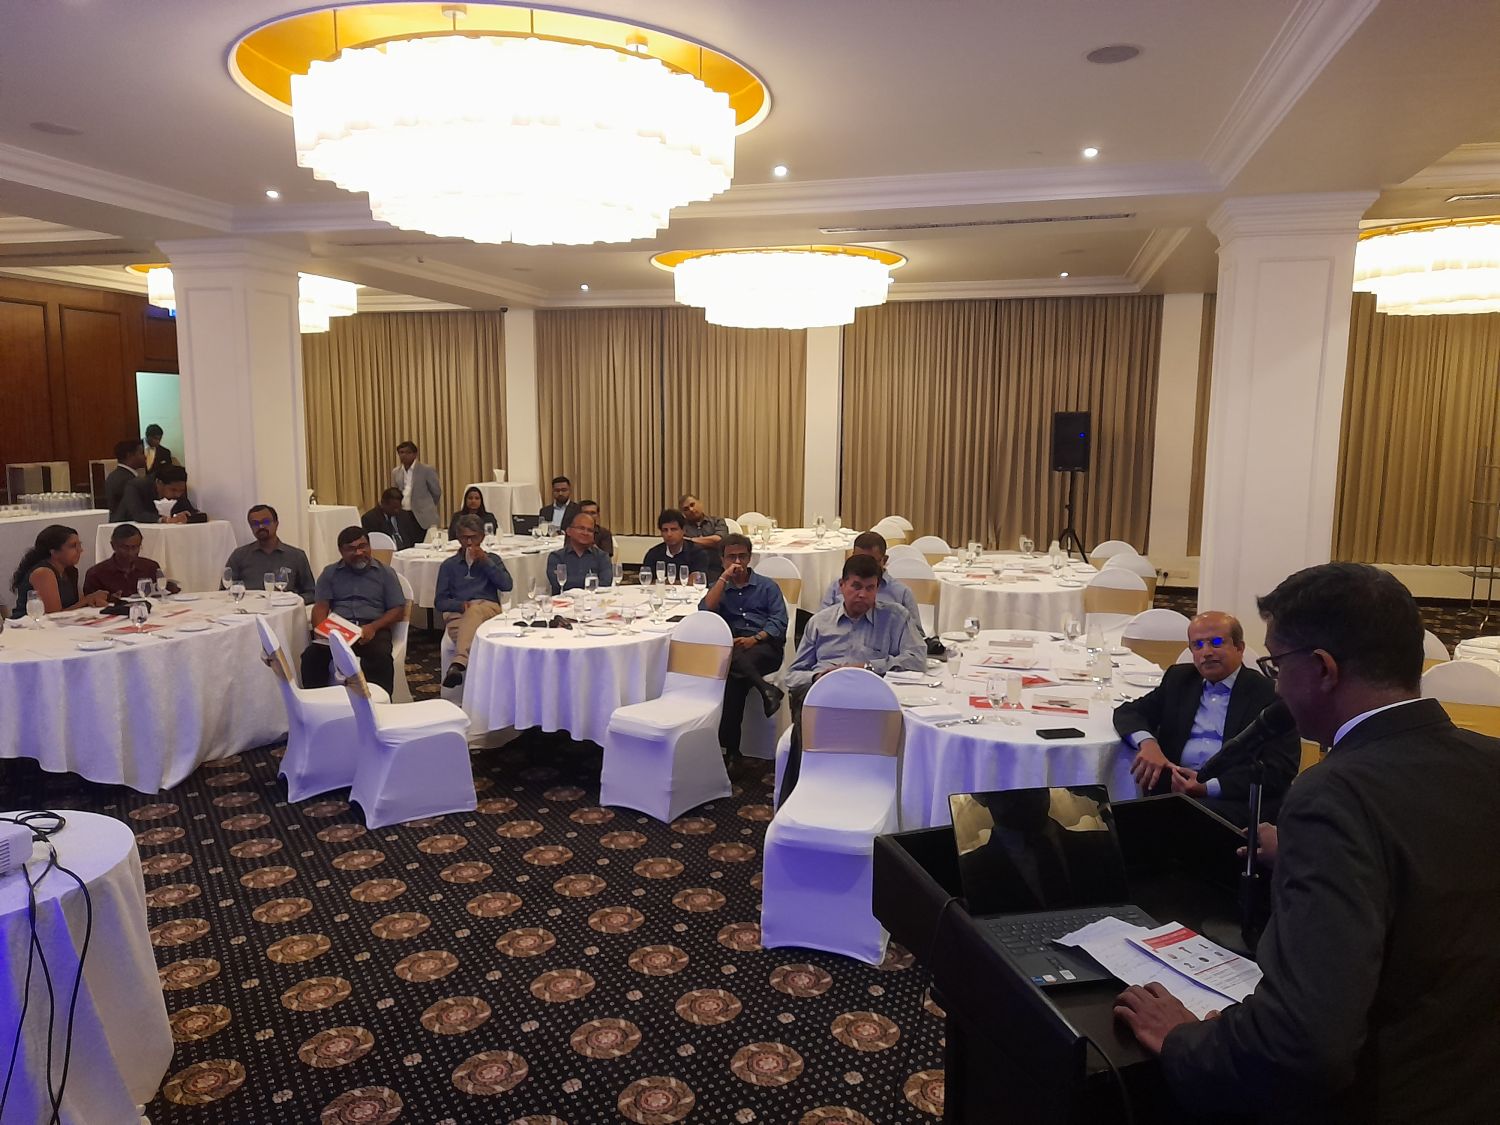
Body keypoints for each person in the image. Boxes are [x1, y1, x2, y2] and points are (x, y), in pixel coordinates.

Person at [1114, 563, 1500, 1123]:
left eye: (1276, 664)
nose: (1274, 685)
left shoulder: (1332, 796)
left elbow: (1301, 1045)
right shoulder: (1488, 760)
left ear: (1322, 669)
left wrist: (1183, 1041)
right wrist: (1306, 851)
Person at [1112, 611, 1298, 826]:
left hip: (1233, 802)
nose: (1206, 652)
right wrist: (1148, 743)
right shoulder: (1180, 679)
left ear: (1239, 647)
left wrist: (1207, 787)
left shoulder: (1268, 694)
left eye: (1216, 643)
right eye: (1198, 645)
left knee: (1167, 822)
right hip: (1174, 791)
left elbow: (1280, 770)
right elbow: (1129, 712)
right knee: (1112, 816)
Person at [781, 553, 926, 803]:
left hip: (874, 695)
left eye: (870, 588)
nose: (862, 594)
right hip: (825, 694)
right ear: (842, 586)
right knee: (808, 706)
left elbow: (917, 659)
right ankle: (803, 790)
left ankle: (877, 791)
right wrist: (818, 676)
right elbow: (793, 676)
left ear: (878, 588)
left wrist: (868, 666)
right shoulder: (820, 622)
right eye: (856, 586)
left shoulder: (895, 618)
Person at [700, 533, 788, 762]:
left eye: (742, 556)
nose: (737, 562)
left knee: (731, 665)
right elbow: (705, 612)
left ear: (750, 558)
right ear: (722, 560)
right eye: (731, 557)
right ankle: (765, 690)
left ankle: (730, 751)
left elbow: (779, 621)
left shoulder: (767, 586)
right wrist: (723, 579)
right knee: (734, 681)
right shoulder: (720, 588)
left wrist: (756, 638)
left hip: (764, 647)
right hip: (734, 648)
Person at [302, 527, 407, 694]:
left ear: (369, 546)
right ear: (341, 551)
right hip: (339, 629)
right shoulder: (330, 573)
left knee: (380, 657)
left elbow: (398, 609)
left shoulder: (385, 573)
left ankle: (379, 703)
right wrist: (321, 630)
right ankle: (317, 701)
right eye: (351, 549)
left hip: (372, 628)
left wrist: (374, 627)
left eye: (362, 546)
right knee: (311, 656)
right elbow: (321, 606)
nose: (358, 552)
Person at [437, 515, 514, 689]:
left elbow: (507, 585)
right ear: (458, 538)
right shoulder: (449, 565)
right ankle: (482, 693)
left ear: (482, 537)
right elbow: (440, 601)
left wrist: (485, 562)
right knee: (474, 639)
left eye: (474, 537)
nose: (470, 542)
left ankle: (458, 663)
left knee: (474, 611)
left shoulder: (493, 559)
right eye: (465, 538)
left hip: (488, 609)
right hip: (458, 613)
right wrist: (459, 605)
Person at [817, 530, 923, 626]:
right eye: (859, 560)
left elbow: (916, 634)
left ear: (884, 560)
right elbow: (821, 623)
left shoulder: (902, 592)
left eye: (871, 561)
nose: (864, 566)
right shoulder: (837, 586)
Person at [9, 524, 109, 616]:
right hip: (28, 625)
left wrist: (93, 600)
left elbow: (77, 603)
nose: (80, 550)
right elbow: (54, 615)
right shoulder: (43, 573)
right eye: (73, 546)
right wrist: (87, 599)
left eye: (79, 545)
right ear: (54, 552)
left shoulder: (70, 570)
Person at [224, 504, 317, 604]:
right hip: (248, 609)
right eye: (255, 524)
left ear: (276, 524)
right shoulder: (239, 555)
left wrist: (291, 601)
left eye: (266, 522)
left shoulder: (296, 556)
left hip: (284, 609)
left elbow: (312, 593)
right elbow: (225, 591)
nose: (261, 526)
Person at [82, 523, 178, 598]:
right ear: (113, 546)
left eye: (135, 547)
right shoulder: (96, 574)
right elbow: (89, 606)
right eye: (125, 548)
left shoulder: (151, 567)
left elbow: (161, 593)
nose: (130, 552)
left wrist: (169, 588)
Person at [546, 511, 612, 594]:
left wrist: (573, 582)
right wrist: (590, 583)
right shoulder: (557, 557)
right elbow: (558, 584)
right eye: (581, 528)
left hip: (593, 599)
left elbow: (605, 583)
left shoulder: (602, 557)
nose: (585, 533)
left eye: (590, 530)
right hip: (563, 601)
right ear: (569, 531)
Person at [118, 464, 206, 524]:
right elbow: (138, 514)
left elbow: (193, 512)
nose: (178, 495)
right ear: (159, 483)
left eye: (181, 490)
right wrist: (165, 519)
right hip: (125, 527)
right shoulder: (136, 486)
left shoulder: (178, 491)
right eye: (173, 490)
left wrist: (187, 517)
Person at [641, 508, 709, 579]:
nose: (669, 534)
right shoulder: (653, 554)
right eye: (665, 530)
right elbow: (646, 580)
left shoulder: (697, 553)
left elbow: (697, 581)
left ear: (683, 530)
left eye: (673, 529)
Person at [391, 440, 442, 531]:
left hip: (423, 515)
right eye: (401, 452)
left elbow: (436, 492)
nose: (404, 455)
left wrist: (427, 505)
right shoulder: (396, 472)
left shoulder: (426, 470)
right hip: (403, 513)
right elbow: (394, 492)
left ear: (415, 454)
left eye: (408, 452)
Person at [679, 493, 729, 582]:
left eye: (692, 505)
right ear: (683, 513)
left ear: (700, 503)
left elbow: (719, 541)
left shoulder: (717, 521)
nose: (691, 509)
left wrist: (691, 540)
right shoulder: (681, 527)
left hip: (716, 566)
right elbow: (682, 545)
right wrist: (710, 542)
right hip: (692, 569)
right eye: (686, 509)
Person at [105, 438, 146, 520]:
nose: (145, 457)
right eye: (141, 453)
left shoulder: (113, 475)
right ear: (129, 455)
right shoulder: (128, 480)